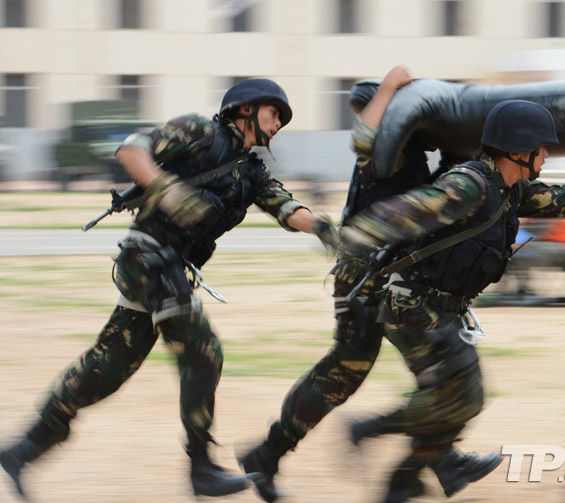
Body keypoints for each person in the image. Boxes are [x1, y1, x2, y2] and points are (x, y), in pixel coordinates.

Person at [0, 78, 338, 500]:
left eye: (283, 121)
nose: (278, 125)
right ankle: (200, 467)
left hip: (170, 270)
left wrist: (323, 226)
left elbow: (286, 207)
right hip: (147, 258)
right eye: (274, 114)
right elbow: (130, 149)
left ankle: (21, 450)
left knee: (107, 367)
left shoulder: (251, 171)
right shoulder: (198, 131)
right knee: (203, 350)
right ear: (245, 108)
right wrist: (167, 189)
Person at [338, 99, 565, 503]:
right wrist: (363, 231)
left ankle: (408, 478)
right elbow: (416, 206)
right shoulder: (471, 184)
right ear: (519, 150)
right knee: (463, 395)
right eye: (543, 147)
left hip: (438, 308)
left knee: (459, 398)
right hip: (412, 306)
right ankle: (375, 436)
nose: (548, 154)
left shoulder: (510, 189)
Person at [237, 65, 437, 503]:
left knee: (409, 369)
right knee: (416, 370)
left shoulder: (410, 154)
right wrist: (388, 88)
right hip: (366, 279)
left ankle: (267, 455)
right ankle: (431, 460)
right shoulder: (383, 147)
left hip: (388, 279)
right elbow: (364, 135)